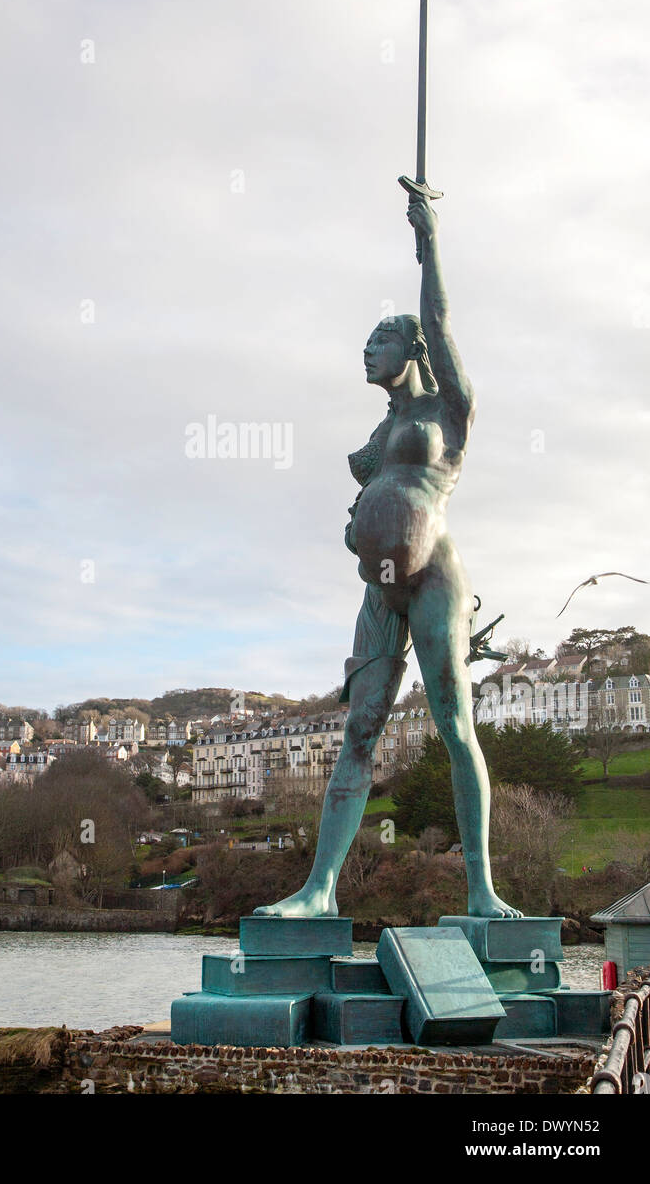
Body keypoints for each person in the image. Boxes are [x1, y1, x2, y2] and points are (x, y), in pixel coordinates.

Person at [255, 196, 520, 919]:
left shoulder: (447, 412)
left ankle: (480, 891)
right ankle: (318, 890)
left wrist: (427, 241)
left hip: (434, 577)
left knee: (453, 723)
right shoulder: (378, 434)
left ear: (410, 351)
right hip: (378, 589)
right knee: (359, 727)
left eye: (378, 339)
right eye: (364, 341)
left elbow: (439, 317)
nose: (365, 350)